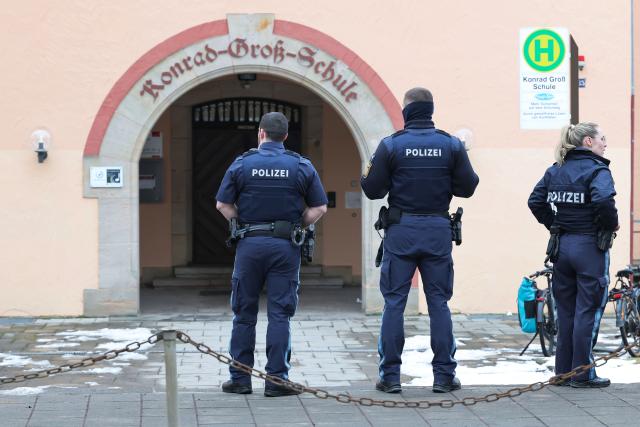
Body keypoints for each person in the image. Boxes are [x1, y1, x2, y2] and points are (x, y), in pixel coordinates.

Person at [361, 87, 479, 393]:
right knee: (439, 303)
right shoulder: (451, 144)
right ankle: (443, 376)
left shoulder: (392, 145)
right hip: (438, 231)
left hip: (401, 232)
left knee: (394, 304)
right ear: (431, 110)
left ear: (407, 111)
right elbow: (468, 187)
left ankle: (390, 377)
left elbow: (372, 189)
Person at [216, 112, 328, 397]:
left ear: (261, 133)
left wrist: (243, 222)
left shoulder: (242, 164)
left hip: (250, 245)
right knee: (280, 315)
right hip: (284, 246)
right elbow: (320, 208)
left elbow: (222, 204)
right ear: (285, 137)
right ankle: (277, 381)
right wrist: (297, 225)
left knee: (244, 315)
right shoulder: (300, 165)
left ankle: (240, 380)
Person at [528, 122, 618, 388]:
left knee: (565, 312)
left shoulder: (555, 170)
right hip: (589, 247)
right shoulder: (597, 170)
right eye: (602, 138)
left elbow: (535, 201)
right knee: (587, 312)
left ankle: (563, 372)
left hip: (562, 247)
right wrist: (609, 225)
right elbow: (603, 201)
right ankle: (583, 374)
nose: (605, 143)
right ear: (588, 142)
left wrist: (555, 224)